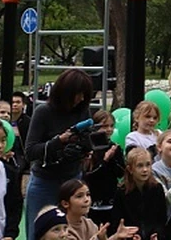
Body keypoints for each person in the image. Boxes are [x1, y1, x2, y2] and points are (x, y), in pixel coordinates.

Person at [24, 67, 95, 240]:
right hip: (45, 182)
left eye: (84, 94)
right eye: (78, 94)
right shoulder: (44, 112)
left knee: (75, 233)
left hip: (73, 181)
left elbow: (87, 142)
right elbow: (30, 151)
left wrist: (85, 151)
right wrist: (58, 142)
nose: (81, 99)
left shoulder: (82, 111)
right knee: (39, 233)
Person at [83, 110, 126, 229]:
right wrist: (105, 160)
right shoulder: (88, 148)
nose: (109, 129)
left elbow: (120, 172)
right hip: (94, 201)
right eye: (105, 126)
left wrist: (112, 158)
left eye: (112, 126)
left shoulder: (115, 147)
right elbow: (89, 176)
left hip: (111, 199)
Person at [113, 146, 167, 240]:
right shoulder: (122, 191)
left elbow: (161, 218)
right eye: (140, 166)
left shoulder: (157, 188)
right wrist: (131, 236)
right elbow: (118, 220)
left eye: (148, 165)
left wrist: (157, 233)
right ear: (130, 169)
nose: (145, 170)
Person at [59, 178, 138, 240]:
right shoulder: (61, 228)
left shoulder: (89, 224)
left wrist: (116, 236)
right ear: (65, 203)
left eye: (88, 194)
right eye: (79, 196)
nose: (86, 199)